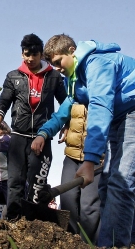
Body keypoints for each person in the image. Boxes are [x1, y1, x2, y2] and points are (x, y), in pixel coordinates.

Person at [31, 34, 135, 248]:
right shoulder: (74, 80)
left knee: (121, 182)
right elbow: (65, 111)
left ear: (72, 51)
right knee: (106, 185)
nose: (56, 68)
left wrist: (89, 160)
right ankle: (106, 243)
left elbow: (101, 106)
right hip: (122, 118)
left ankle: (111, 246)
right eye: (52, 64)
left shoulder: (97, 64)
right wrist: (44, 133)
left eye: (58, 62)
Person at [0, 33, 67, 220]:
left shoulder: (54, 77)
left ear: (41, 55)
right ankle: (13, 222)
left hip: (42, 138)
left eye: (34, 54)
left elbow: (65, 103)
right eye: (26, 54)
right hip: (18, 137)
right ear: (22, 54)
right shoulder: (14, 77)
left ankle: (34, 223)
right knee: (15, 182)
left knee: (37, 183)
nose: (30, 58)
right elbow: (2, 104)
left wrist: (67, 126)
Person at [58, 103, 102, 244]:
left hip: (96, 158)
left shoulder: (102, 93)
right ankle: (69, 243)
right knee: (67, 200)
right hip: (72, 155)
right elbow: (64, 112)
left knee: (89, 207)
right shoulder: (73, 90)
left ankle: (87, 244)